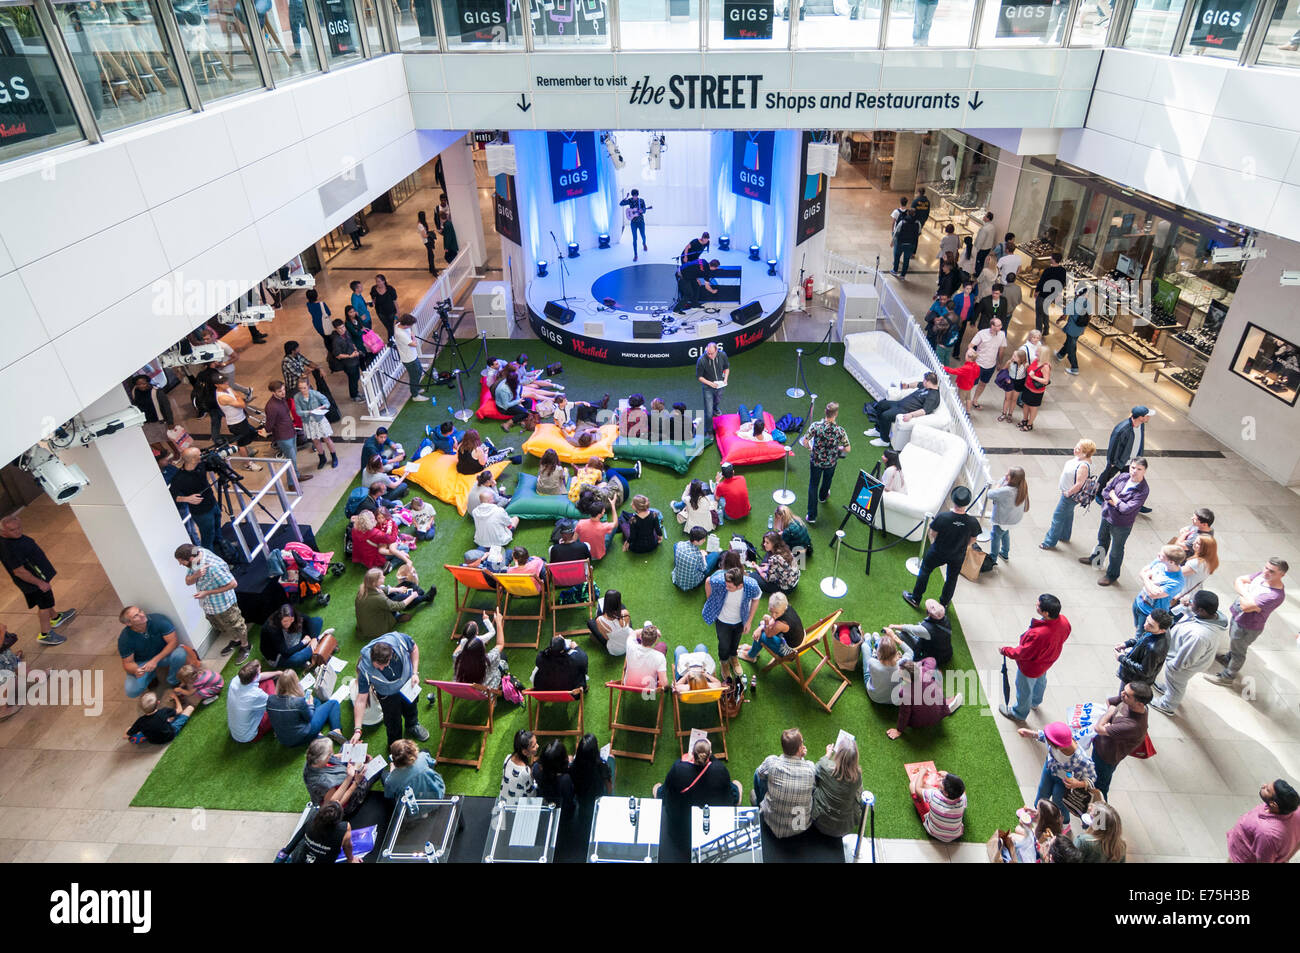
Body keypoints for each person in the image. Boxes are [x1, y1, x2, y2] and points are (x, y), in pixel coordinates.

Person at [1205, 557, 1288, 686]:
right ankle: (1228, 659)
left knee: (1239, 651)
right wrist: (1248, 594)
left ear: (1282, 574)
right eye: (1266, 567)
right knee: (1234, 642)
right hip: (1239, 617)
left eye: (1271, 571)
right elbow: (1239, 580)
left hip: (1248, 626)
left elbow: (1246, 607)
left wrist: (1244, 592)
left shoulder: (1274, 595)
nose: (1266, 572)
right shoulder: (1262, 576)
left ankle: (1228, 676)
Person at [0, 515, 76, 646]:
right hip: (34, 580)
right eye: (13, 530)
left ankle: (55, 617)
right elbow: (19, 571)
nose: (18, 531)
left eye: (19, 527)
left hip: (38, 577)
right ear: (3, 532)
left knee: (46, 600)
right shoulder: (8, 548)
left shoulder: (12, 540)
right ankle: (45, 634)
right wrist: (40, 583)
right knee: (44, 605)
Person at [658, 738, 739, 857]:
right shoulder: (719, 770)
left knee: (657, 787)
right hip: (711, 821)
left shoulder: (678, 768)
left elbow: (664, 791)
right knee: (737, 784)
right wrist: (711, 755)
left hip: (679, 823)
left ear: (692, 754)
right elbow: (733, 793)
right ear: (709, 754)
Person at [998, 593, 1071, 722]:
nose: (1036, 604)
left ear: (1046, 613)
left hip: (1031, 666)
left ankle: (1018, 713)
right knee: (1041, 681)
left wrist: (1006, 650)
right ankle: (1035, 702)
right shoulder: (1064, 621)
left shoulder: (1039, 634)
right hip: (1047, 661)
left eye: (1038, 605)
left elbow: (1022, 652)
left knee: (1024, 689)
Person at [904, 486, 980, 609]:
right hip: (957, 555)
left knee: (925, 571)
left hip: (938, 551)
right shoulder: (972, 522)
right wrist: (961, 545)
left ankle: (916, 598)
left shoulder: (943, 517)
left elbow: (933, 533)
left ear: (953, 500)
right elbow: (972, 540)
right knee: (952, 578)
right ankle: (944, 603)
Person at [1151, 591, 1226, 715]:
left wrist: (1174, 666)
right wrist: (1186, 607)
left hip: (1181, 665)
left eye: (1192, 602)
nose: (1189, 603)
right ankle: (1170, 690)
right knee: (1174, 682)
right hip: (1180, 655)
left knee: (1177, 682)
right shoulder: (1211, 616)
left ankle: (1168, 705)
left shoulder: (1200, 636)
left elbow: (1187, 658)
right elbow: (1186, 614)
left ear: (1201, 610)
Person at [351, 632, 428, 751]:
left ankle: (412, 725)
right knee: (392, 722)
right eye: (377, 666)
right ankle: (395, 743)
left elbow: (414, 648)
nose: (381, 669)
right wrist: (357, 729)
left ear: (391, 655)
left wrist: (415, 673)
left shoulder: (399, 640)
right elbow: (361, 700)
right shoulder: (365, 669)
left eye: (384, 665)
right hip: (388, 697)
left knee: (411, 707)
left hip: (409, 685)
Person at [174, 543, 249, 663]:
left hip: (224, 605)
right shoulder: (194, 554)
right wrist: (196, 575)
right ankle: (236, 640)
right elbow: (188, 581)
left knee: (236, 625)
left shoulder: (214, 567)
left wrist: (207, 592)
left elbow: (233, 584)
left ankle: (245, 646)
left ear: (191, 558)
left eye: (181, 561)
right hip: (209, 606)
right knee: (222, 626)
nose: (180, 564)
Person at [1082, 458, 1150, 587]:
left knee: (1116, 551)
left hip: (1121, 524)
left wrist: (1113, 498)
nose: (1134, 471)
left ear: (1145, 471)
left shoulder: (1143, 490)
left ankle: (1112, 575)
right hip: (1107, 515)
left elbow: (1126, 509)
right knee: (1102, 539)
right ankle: (1096, 560)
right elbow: (1105, 491)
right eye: (1133, 467)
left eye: (1139, 469)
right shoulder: (1123, 476)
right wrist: (1115, 501)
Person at [1017, 721, 1097, 823]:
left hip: (1064, 783)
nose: (1047, 740)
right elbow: (1044, 736)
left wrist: (1078, 784)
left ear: (1059, 746)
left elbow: (1092, 779)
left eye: (1049, 741)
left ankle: (1064, 823)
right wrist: (1030, 733)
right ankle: (1038, 813)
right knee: (1042, 791)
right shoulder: (1058, 742)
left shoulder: (1081, 760)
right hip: (1050, 769)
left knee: (1059, 803)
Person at [1090, 682, 1152, 799]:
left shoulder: (1133, 725)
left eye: (1127, 694)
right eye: (1124, 690)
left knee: (1100, 787)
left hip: (1106, 757)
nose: (1122, 694)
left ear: (1139, 704)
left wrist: (1108, 715)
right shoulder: (1126, 700)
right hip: (1101, 746)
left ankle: (1100, 813)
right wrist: (1106, 721)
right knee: (1093, 778)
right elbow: (1110, 702)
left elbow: (1098, 729)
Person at [753, 728, 816, 838]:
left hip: (771, 822)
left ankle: (759, 802)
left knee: (759, 772)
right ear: (800, 748)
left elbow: (760, 774)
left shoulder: (772, 762)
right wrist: (801, 759)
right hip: (799, 827)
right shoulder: (810, 768)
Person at [703, 566, 761, 686]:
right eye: (726, 584)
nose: (726, 587)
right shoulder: (720, 580)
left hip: (740, 620)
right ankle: (724, 662)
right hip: (722, 620)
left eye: (729, 587)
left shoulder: (751, 585)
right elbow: (708, 581)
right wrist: (710, 599)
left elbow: (756, 599)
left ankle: (733, 657)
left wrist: (749, 621)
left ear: (740, 586)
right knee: (724, 644)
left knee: (736, 640)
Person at [117, 606, 190, 699]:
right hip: (143, 663)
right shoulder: (125, 639)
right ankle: (151, 676)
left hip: (163, 655)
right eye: (136, 616)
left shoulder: (159, 620)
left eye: (140, 611)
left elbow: (173, 642)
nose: (142, 615)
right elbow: (127, 663)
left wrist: (155, 660)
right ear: (128, 623)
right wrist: (136, 670)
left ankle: (173, 680)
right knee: (132, 691)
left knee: (180, 654)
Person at [1226, 779, 1300, 863]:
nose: (1263, 786)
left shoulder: (1267, 834)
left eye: (1267, 790)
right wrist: (1286, 858)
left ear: (1274, 804)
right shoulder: (1295, 810)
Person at [1040, 438, 1096, 550]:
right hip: (1069, 494)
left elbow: (1079, 484)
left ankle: (1049, 542)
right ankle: (1064, 535)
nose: (1075, 449)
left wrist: (1068, 493)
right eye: (1076, 446)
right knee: (1068, 514)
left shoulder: (1083, 466)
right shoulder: (1080, 459)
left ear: (1085, 453)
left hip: (1070, 495)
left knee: (1058, 516)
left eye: (1078, 449)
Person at [800, 401, 850, 524]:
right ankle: (822, 497)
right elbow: (848, 448)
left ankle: (811, 516)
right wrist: (838, 448)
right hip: (831, 462)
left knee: (813, 485)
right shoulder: (840, 431)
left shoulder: (815, 426)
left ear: (825, 412)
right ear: (836, 414)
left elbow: (805, 441)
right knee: (827, 480)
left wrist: (811, 448)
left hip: (816, 461)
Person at [266, 670, 344, 747]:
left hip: (284, 740)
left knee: (316, 701)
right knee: (333, 703)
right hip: (302, 736)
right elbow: (309, 718)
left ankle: (318, 734)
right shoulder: (298, 702)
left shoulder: (270, 699)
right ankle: (336, 730)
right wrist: (310, 704)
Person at [889, 657, 962, 739]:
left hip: (920, 721)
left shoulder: (904, 692)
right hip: (939, 710)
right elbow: (932, 659)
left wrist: (899, 730)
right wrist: (919, 663)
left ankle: (947, 704)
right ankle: (947, 704)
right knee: (937, 675)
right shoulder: (924, 670)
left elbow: (904, 714)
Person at [303, 737, 376, 818]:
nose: (332, 754)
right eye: (330, 753)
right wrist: (355, 781)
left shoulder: (312, 761)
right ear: (323, 759)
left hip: (342, 774)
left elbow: (333, 757)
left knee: (349, 744)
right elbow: (335, 804)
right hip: (345, 803)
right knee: (375, 768)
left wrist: (355, 754)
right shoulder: (324, 782)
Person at [168, 447, 223, 554]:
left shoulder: (200, 465)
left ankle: (222, 548)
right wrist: (187, 498)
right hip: (201, 513)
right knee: (207, 538)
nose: (202, 456)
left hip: (212, 504)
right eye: (199, 455)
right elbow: (172, 495)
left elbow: (212, 465)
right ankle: (210, 559)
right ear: (193, 460)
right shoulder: (179, 478)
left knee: (217, 530)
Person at [865, 375, 940, 449]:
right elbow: (917, 383)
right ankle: (878, 430)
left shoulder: (933, 396)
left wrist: (911, 415)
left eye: (924, 380)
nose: (923, 381)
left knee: (885, 416)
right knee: (881, 404)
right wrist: (907, 386)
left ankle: (884, 441)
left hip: (905, 411)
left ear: (929, 382)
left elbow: (924, 411)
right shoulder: (926, 386)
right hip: (899, 404)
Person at [354, 568, 427, 642]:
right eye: (381, 577)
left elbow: (382, 589)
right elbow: (398, 606)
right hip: (377, 628)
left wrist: (397, 589)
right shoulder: (377, 598)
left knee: (396, 592)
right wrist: (413, 596)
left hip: (366, 626)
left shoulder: (365, 588)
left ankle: (418, 595)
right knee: (399, 598)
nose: (384, 577)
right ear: (374, 583)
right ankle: (424, 597)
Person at [1096, 407, 1150, 506]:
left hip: (1132, 461)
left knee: (1129, 479)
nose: (1149, 417)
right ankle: (1097, 493)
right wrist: (1112, 461)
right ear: (1141, 417)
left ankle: (1131, 500)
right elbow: (1113, 445)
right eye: (1147, 415)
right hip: (1118, 460)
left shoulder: (1141, 425)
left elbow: (1140, 441)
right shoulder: (1122, 429)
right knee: (1106, 476)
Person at [812, 736, 864, 838]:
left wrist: (827, 755)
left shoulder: (825, 767)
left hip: (819, 822)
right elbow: (859, 796)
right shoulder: (857, 776)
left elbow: (813, 772)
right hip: (844, 828)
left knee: (814, 783)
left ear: (838, 754)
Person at [262, 381, 311, 482]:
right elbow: (269, 424)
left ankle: (296, 476)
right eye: (280, 391)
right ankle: (292, 483)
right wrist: (266, 431)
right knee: (290, 460)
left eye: (284, 389)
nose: (283, 392)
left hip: (290, 431)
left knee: (293, 457)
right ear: (273, 392)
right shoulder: (271, 406)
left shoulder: (282, 399)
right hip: (283, 436)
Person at [260, 603, 331, 671]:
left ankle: (314, 645)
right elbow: (285, 652)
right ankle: (319, 642)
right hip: (279, 655)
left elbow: (309, 620)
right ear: (280, 619)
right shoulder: (272, 629)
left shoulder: (292, 614)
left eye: (291, 620)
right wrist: (303, 643)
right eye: (285, 621)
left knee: (317, 621)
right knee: (298, 659)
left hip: (294, 639)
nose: (288, 623)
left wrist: (313, 639)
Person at [1132, 546, 1186, 635]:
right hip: (1139, 601)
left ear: (1171, 562)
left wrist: (1146, 577)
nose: (1158, 555)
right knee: (1137, 626)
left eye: (1161, 555)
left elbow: (1153, 594)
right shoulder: (1159, 562)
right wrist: (1150, 582)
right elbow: (1142, 572)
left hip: (1149, 613)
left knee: (1140, 634)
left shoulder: (1176, 582)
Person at [884, 599, 952, 668]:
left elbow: (910, 628)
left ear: (928, 613)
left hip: (936, 657)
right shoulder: (945, 619)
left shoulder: (927, 630)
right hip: (946, 652)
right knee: (916, 632)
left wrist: (893, 626)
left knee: (904, 635)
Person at [226, 659, 281, 743]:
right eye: (260, 670)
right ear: (255, 676)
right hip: (251, 735)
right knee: (276, 708)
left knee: (267, 682)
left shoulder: (235, 680)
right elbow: (276, 706)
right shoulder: (255, 695)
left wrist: (277, 673)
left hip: (237, 731)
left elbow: (260, 677)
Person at [741, 591, 804, 662]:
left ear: (783, 609)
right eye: (771, 611)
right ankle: (754, 650)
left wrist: (766, 622)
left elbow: (768, 634)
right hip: (795, 637)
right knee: (761, 625)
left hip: (789, 651)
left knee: (761, 635)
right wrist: (761, 627)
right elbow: (773, 620)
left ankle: (751, 656)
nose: (773, 615)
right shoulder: (786, 606)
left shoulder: (780, 625)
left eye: (776, 613)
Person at [986, 467, 1029, 568]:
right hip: (1013, 520)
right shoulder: (1022, 487)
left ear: (1013, 479)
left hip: (1003, 520)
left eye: (1008, 474)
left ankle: (993, 558)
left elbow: (990, 494)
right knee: (1005, 533)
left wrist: (1000, 483)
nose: (1005, 474)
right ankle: (1005, 553)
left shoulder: (1007, 491)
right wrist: (1005, 479)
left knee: (995, 536)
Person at [293, 378, 339, 470]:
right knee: (315, 441)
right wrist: (309, 412)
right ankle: (322, 458)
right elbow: (298, 412)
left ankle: (334, 457)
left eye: (304, 388)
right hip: (308, 422)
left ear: (309, 386)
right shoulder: (297, 397)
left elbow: (327, 403)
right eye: (300, 388)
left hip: (319, 420)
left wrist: (322, 407)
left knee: (327, 439)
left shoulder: (315, 394)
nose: (302, 390)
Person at [910, 769, 967, 843]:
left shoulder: (934, 795)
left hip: (933, 832)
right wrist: (947, 775)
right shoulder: (963, 798)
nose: (940, 779)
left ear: (946, 793)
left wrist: (921, 773)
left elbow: (917, 789)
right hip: (956, 834)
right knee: (928, 788)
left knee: (912, 785)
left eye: (942, 781)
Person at [968, 316, 1007, 411]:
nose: (1000, 327)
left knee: (983, 384)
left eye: (1001, 325)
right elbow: (971, 346)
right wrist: (971, 357)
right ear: (992, 326)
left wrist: (999, 363)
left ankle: (975, 400)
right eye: (998, 325)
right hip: (978, 364)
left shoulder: (1002, 334)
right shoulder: (982, 334)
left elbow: (1001, 349)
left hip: (991, 365)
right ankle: (965, 400)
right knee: (971, 383)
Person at [126, 691, 193, 745]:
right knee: (190, 708)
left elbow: (126, 736)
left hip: (153, 741)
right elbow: (179, 710)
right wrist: (176, 698)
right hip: (170, 735)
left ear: (141, 708)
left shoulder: (140, 721)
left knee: (133, 730)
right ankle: (169, 721)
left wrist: (128, 730)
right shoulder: (163, 712)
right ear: (158, 703)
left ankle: (142, 736)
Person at [496, 730, 539, 812]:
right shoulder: (525, 772)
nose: (537, 746)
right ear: (525, 752)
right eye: (533, 746)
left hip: (503, 801)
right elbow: (531, 794)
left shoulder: (508, 758)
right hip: (515, 807)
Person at [864, 631, 912, 705]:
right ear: (896, 652)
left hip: (876, 697)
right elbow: (910, 652)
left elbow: (869, 670)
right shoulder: (903, 663)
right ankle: (877, 640)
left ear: (877, 654)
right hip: (896, 699)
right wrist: (894, 636)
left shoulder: (872, 662)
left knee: (864, 647)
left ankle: (868, 641)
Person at [1055, 282, 1091, 375]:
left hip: (1072, 328)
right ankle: (1060, 355)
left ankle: (1075, 368)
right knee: (1070, 342)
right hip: (1080, 328)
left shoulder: (1075, 301)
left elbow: (1065, 312)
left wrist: (1059, 319)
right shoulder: (1088, 302)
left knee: (1072, 347)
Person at [623, 623, 669, 692]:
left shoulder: (630, 644)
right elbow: (664, 684)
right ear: (656, 640)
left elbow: (634, 632)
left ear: (641, 637)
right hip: (649, 688)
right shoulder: (659, 657)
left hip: (628, 684)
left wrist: (647, 628)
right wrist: (655, 630)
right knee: (662, 645)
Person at [672, 527, 721, 592]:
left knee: (675, 545)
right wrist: (703, 555)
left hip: (677, 578)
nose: (704, 540)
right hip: (692, 583)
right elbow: (704, 569)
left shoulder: (679, 544)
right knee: (715, 554)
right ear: (695, 541)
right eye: (703, 539)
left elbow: (676, 546)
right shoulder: (698, 556)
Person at [393, 313, 428, 403]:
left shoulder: (398, 325)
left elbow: (410, 333)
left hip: (412, 355)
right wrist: (413, 337)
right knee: (414, 375)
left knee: (419, 371)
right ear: (405, 325)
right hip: (409, 359)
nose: (411, 327)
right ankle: (415, 395)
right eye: (410, 325)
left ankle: (416, 388)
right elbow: (414, 344)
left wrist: (411, 334)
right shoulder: (400, 334)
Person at [587, 590, 633, 655]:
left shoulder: (599, 620)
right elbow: (627, 625)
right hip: (629, 643)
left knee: (590, 622)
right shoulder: (625, 612)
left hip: (615, 650)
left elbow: (606, 638)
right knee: (623, 608)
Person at [696, 341, 729, 425]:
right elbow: (699, 377)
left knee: (717, 400)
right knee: (708, 410)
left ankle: (715, 408)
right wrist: (710, 384)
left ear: (716, 351)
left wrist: (725, 379)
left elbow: (726, 368)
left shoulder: (723, 355)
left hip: (720, 385)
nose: (710, 355)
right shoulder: (701, 360)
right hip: (708, 388)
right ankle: (709, 432)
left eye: (712, 353)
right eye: (708, 353)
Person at [1034, 252, 1068, 336]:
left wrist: (1037, 291)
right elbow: (1063, 283)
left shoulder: (1048, 270)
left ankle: (1038, 332)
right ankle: (1046, 328)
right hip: (1053, 295)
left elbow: (1041, 282)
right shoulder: (1063, 270)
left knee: (1039, 313)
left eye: (1051, 258)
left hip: (1043, 294)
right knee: (1045, 310)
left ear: (1053, 259)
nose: (1050, 259)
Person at [330, 318, 362, 401]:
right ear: (336, 329)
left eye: (343, 327)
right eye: (340, 328)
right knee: (352, 379)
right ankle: (354, 395)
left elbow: (351, 342)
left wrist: (355, 349)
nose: (342, 329)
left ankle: (356, 392)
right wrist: (349, 356)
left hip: (355, 360)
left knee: (356, 377)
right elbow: (338, 355)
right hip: (348, 364)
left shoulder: (346, 333)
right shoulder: (336, 340)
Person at [1018, 351, 1051, 431]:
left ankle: (1030, 424)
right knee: (1025, 404)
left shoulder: (1045, 366)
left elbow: (1046, 381)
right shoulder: (1036, 360)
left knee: (1033, 408)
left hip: (1036, 391)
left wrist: (1034, 377)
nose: (1036, 352)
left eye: (1038, 351)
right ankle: (1025, 420)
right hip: (1027, 387)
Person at [943, 348, 979, 414]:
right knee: (968, 398)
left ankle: (958, 413)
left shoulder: (967, 368)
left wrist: (944, 368)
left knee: (960, 400)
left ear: (968, 358)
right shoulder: (976, 366)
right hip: (970, 385)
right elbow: (977, 376)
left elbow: (954, 371)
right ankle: (968, 411)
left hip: (963, 386)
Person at [620, 188, 650, 260]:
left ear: (637, 195)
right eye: (633, 196)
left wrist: (642, 210)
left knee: (643, 235)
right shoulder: (630, 200)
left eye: (636, 196)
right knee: (634, 238)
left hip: (641, 221)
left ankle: (644, 243)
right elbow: (621, 204)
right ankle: (635, 255)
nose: (634, 197)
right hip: (633, 222)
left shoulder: (641, 201)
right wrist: (626, 197)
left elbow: (645, 210)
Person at [891, 209, 920, 277]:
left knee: (897, 257)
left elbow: (896, 232)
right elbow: (919, 232)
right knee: (906, 260)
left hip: (901, 243)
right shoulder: (918, 223)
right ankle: (903, 275)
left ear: (908, 213)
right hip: (911, 244)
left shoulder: (902, 222)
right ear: (914, 214)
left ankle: (895, 270)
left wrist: (893, 241)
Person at [370, 274, 398, 340]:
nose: (377, 283)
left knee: (390, 326)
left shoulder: (390, 289)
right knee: (388, 327)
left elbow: (395, 301)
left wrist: (398, 312)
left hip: (391, 311)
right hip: (381, 312)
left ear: (384, 281)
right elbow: (373, 299)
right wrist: (372, 303)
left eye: (379, 281)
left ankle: (391, 340)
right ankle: (392, 340)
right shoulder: (374, 289)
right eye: (376, 281)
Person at [973, 211, 997, 277]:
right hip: (988, 248)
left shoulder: (984, 229)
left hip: (982, 248)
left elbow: (981, 241)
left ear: (988, 218)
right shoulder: (992, 227)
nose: (983, 217)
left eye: (985, 216)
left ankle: (978, 276)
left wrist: (976, 249)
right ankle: (980, 274)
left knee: (977, 262)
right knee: (982, 262)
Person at [417, 210, 438, 275]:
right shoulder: (420, 225)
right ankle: (432, 270)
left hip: (427, 241)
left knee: (430, 255)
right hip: (427, 241)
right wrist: (430, 234)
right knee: (431, 255)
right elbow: (424, 235)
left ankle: (431, 268)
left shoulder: (421, 223)